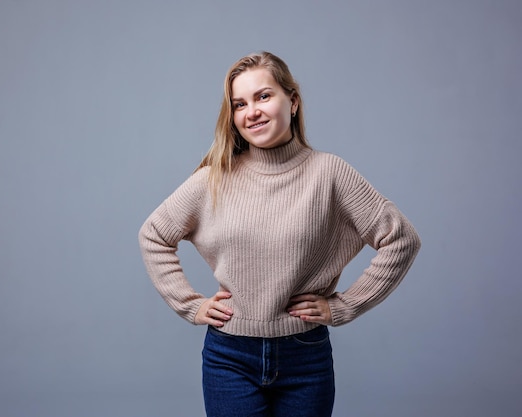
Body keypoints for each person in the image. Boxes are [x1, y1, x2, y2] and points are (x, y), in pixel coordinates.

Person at [138, 51, 421, 417]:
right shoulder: (214, 179)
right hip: (229, 358)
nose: (251, 111)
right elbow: (154, 235)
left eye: (263, 96)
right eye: (239, 104)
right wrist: (190, 305)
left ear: (293, 101)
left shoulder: (330, 173)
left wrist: (345, 305)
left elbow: (402, 240)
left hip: (305, 356)